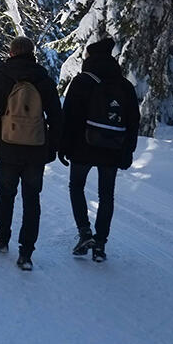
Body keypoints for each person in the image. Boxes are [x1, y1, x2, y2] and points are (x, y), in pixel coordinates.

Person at [0, 36, 63, 271]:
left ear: (12, 52)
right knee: (31, 199)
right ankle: (26, 253)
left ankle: (3, 237)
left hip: (7, 147)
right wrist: (53, 147)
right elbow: (56, 117)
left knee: (6, 194)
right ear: (32, 52)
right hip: (35, 149)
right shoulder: (43, 78)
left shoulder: (1, 77)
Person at [58, 37, 140, 263]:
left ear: (90, 57)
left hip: (82, 147)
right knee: (106, 195)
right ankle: (100, 243)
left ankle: (84, 233)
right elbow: (133, 121)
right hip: (112, 148)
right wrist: (128, 151)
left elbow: (69, 117)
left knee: (77, 187)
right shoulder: (124, 85)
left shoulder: (82, 82)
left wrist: (63, 146)